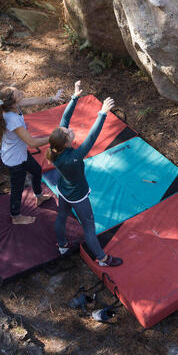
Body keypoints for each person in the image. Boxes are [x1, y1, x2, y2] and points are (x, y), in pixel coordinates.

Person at [48, 80, 123, 268]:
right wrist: (103, 113)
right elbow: (92, 137)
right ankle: (102, 258)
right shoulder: (73, 157)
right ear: (66, 143)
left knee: (62, 216)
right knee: (89, 227)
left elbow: (64, 120)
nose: (71, 130)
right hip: (78, 196)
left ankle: (62, 245)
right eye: (70, 134)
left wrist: (75, 96)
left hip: (64, 190)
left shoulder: (55, 147)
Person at [0, 85, 66, 225]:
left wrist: (53, 98)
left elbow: (32, 101)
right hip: (15, 160)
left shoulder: (12, 106)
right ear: (13, 102)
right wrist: (54, 138)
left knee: (37, 170)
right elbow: (32, 143)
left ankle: (38, 196)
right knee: (17, 189)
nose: (21, 92)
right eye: (18, 94)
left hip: (20, 153)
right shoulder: (12, 119)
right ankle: (16, 217)